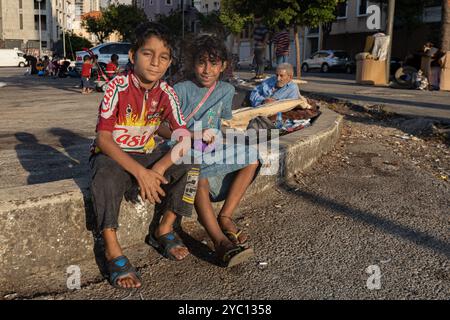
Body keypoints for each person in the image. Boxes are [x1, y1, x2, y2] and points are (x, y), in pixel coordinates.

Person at [90, 22, 197, 290]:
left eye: (163, 57)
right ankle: (111, 246)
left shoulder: (167, 94)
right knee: (104, 174)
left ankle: (164, 228)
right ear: (133, 55)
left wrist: (158, 168)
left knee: (192, 165)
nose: (155, 63)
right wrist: (141, 173)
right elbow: (103, 139)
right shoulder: (117, 87)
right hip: (113, 155)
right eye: (148, 54)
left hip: (146, 155)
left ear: (170, 61)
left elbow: (183, 138)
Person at [159, 35, 257, 267]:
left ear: (223, 66)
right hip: (181, 148)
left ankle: (225, 215)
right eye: (201, 62)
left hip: (210, 148)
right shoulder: (181, 89)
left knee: (252, 158)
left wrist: (222, 143)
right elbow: (161, 126)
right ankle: (220, 242)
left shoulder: (225, 89)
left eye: (214, 64)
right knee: (198, 175)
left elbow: (219, 124)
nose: (207, 70)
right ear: (193, 63)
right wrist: (190, 136)